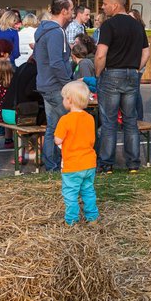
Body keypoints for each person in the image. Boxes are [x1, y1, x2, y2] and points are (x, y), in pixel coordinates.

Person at [93, 0, 149, 173]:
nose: (103, 6)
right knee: (130, 120)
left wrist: (99, 74)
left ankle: (107, 163)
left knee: (108, 121)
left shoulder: (108, 26)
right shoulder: (137, 25)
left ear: (115, 5)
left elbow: (101, 55)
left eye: (105, 3)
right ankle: (133, 163)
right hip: (132, 74)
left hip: (111, 74)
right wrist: (134, 68)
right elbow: (146, 52)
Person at [34, 0, 75, 172]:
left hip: (46, 84)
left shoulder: (46, 30)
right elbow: (56, 62)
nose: (73, 13)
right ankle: (57, 165)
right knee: (66, 127)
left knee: (53, 127)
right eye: (72, 9)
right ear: (64, 11)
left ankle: (52, 165)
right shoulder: (56, 32)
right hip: (55, 87)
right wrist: (69, 85)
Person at [54, 80, 98, 226]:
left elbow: (58, 140)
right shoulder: (90, 118)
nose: (63, 100)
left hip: (72, 164)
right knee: (88, 191)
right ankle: (92, 217)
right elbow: (91, 140)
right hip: (89, 162)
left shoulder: (65, 120)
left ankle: (71, 220)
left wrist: (57, 137)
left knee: (70, 194)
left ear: (70, 100)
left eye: (64, 98)